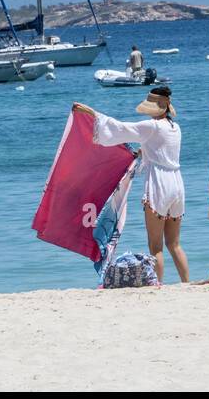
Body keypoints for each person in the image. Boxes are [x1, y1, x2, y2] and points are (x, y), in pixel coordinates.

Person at [76, 86, 189, 284]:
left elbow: (120, 128)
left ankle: (158, 284)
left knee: (156, 246)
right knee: (174, 244)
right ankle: (187, 283)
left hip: (159, 183)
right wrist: (142, 153)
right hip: (177, 184)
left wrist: (91, 112)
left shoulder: (152, 127)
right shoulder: (175, 128)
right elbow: (159, 150)